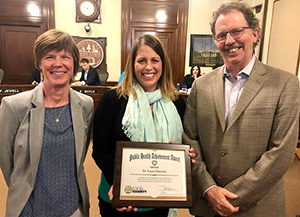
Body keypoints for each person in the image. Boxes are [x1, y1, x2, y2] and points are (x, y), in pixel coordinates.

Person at [183, 2, 300, 217]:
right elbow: (190, 138)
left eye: (237, 31)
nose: (229, 41)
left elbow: (281, 153)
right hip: (207, 205)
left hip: (258, 207)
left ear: (255, 34)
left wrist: (227, 196)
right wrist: (209, 189)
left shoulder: (285, 84)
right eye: (221, 35)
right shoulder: (201, 85)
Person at [0, 29, 94, 217]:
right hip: (29, 209)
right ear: (39, 63)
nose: (58, 64)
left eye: (65, 57)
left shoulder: (85, 105)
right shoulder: (13, 106)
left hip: (72, 208)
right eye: (49, 57)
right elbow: (7, 162)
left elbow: (80, 156)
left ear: (74, 63)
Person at [92, 34, 188, 217]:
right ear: (132, 65)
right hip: (118, 198)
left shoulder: (176, 103)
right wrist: (121, 186)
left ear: (163, 64)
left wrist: (187, 154)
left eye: (155, 60)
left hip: (160, 199)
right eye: (142, 60)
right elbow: (100, 151)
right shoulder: (113, 100)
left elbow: (182, 146)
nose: (149, 67)